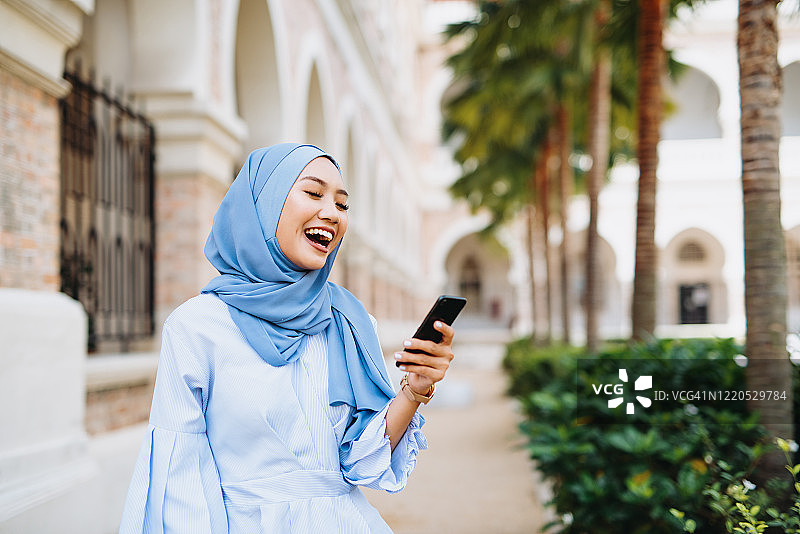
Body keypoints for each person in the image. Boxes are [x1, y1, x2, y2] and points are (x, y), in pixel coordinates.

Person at [119, 143, 456, 533]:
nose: (332, 213)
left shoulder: (349, 320)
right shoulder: (198, 326)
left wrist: (414, 390)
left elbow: (361, 465)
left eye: (342, 204)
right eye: (313, 193)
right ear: (263, 204)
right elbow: (181, 480)